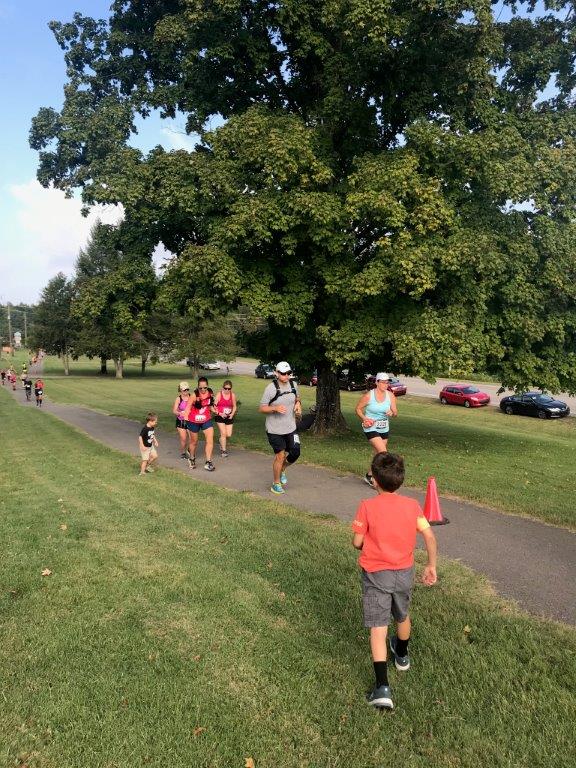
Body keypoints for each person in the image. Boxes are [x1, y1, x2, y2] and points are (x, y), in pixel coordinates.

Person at [352, 452, 437, 710]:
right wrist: (431, 565)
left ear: (374, 480)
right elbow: (429, 536)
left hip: (377, 575)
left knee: (378, 628)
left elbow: (357, 542)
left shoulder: (367, 506)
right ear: (400, 480)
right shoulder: (412, 506)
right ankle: (401, 654)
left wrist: (370, 541)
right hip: (404, 573)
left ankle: (382, 688)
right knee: (402, 615)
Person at [258, 361, 302, 495]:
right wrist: (275, 408)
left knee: (295, 453)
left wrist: (298, 405)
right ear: (277, 373)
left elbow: (297, 398)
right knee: (280, 455)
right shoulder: (271, 388)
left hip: (290, 427)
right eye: (283, 373)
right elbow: (261, 408)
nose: (287, 376)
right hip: (275, 429)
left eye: (289, 373)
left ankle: (283, 468)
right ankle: (276, 483)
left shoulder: (294, 385)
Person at [355, 372, 398, 487]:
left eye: (387, 382)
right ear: (377, 382)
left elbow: (395, 412)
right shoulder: (369, 395)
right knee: (384, 453)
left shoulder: (390, 395)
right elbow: (358, 409)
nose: (385, 385)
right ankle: (383, 480)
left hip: (384, 428)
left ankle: (369, 475)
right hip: (370, 427)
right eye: (383, 382)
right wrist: (364, 418)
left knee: (378, 454)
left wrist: (392, 412)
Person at [185, 376, 216, 471]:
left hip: (206, 419)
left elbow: (210, 406)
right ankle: (192, 458)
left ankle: (208, 462)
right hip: (193, 421)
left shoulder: (210, 393)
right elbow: (187, 409)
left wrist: (217, 412)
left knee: (210, 439)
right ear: (198, 387)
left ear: (207, 386)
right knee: (194, 442)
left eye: (205, 387)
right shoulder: (194, 395)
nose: (203, 389)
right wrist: (186, 422)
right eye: (200, 388)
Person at [214, 379, 237, 457]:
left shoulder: (232, 395)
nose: (227, 390)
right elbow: (214, 406)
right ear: (223, 387)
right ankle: (223, 451)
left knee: (228, 434)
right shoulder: (219, 394)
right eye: (225, 388)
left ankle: (221, 441)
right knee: (223, 433)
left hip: (229, 416)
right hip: (220, 416)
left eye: (229, 389)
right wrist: (220, 413)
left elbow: (234, 406)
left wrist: (232, 414)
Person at [172, 381, 192, 458]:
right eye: (184, 390)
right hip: (181, 421)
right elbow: (174, 410)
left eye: (187, 389)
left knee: (192, 438)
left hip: (190, 420)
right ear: (180, 390)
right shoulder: (178, 399)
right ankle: (183, 452)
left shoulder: (191, 397)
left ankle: (189, 450)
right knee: (183, 439)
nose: (186, 391)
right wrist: (180, 413)